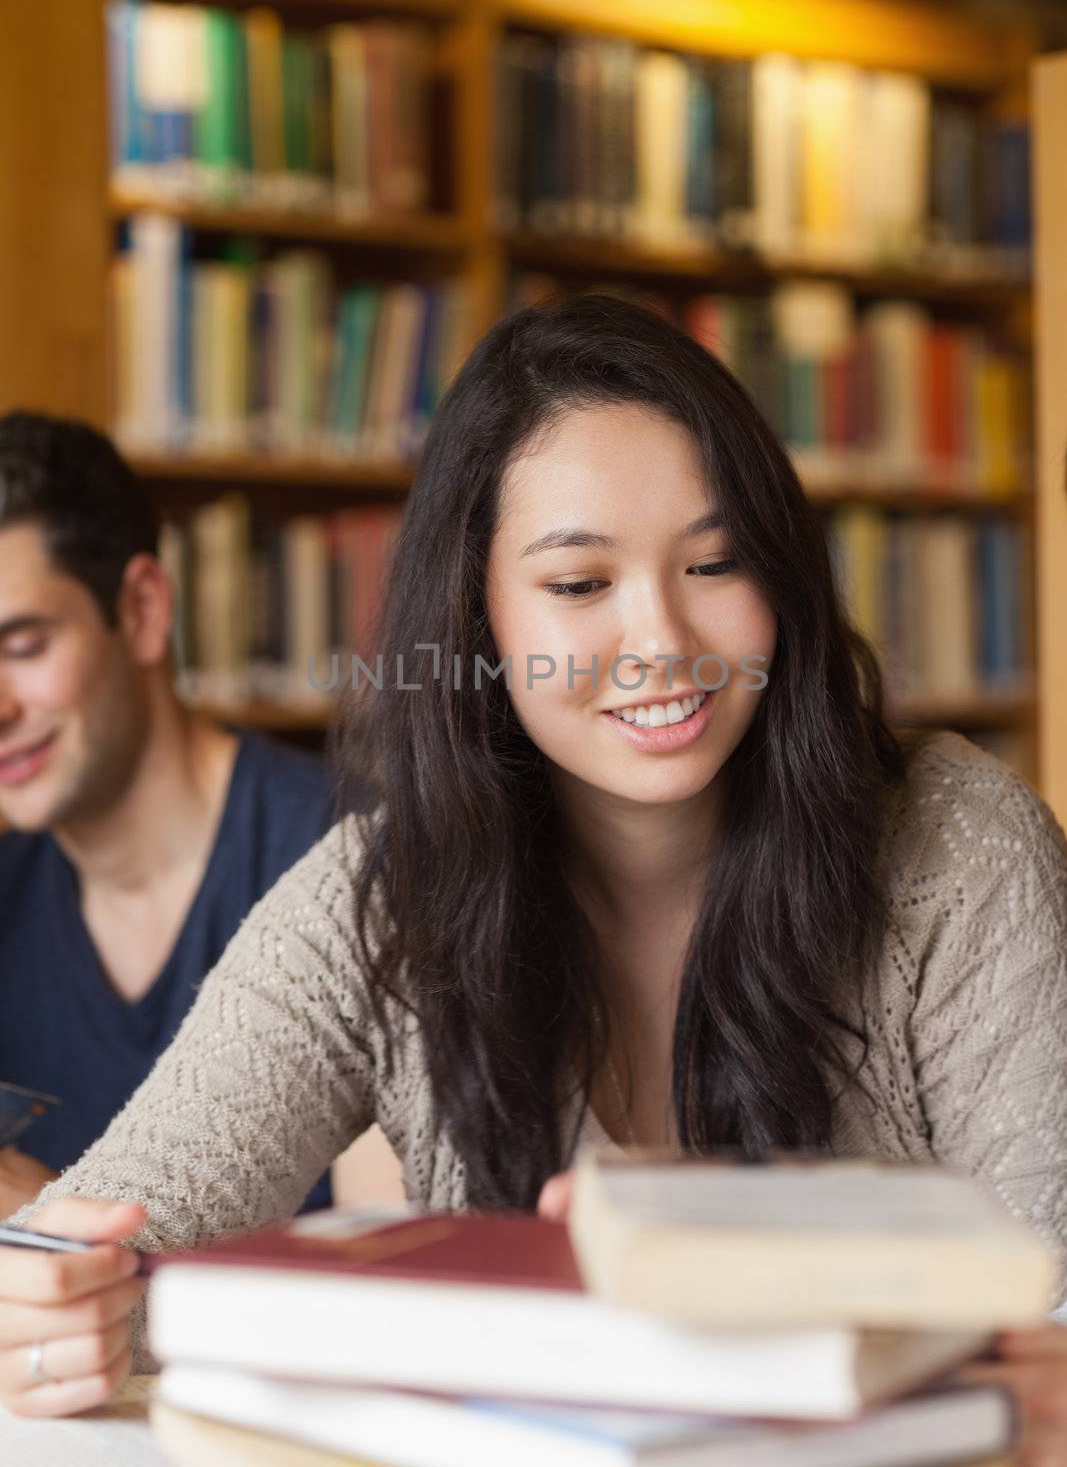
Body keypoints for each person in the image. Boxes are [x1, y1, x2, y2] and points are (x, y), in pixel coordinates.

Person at [2, 296, 1067, 1449]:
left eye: (715, 561)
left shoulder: (958, 846)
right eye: (577, 586)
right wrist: (60, 1308)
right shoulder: (384, 891)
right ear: (476, 617)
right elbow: (113, 1231)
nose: (660, 639)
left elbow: (1047, 1305)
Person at [0, 411, 340, 1219]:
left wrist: (57, 1224)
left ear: (146, 608)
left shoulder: (354, 865)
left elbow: (414, 1258)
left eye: (23, 648)